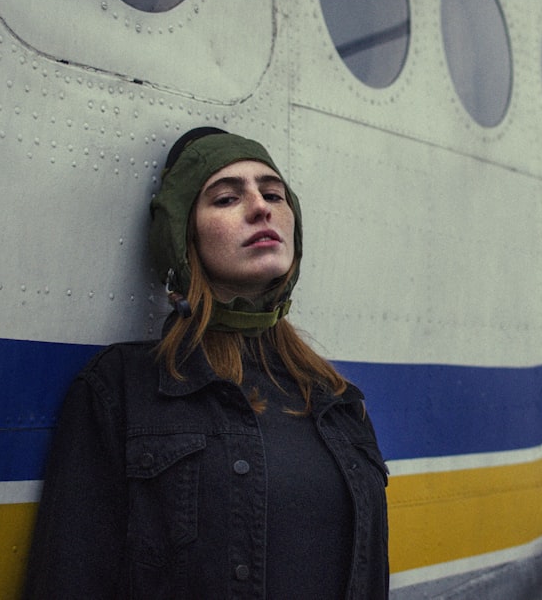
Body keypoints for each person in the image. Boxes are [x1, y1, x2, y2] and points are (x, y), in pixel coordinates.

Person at [24, 128, 389, 599]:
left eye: (273, 193)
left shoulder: (338, 401)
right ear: (184, 237)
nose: (261, 207)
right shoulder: (121, 389)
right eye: (225, 199)